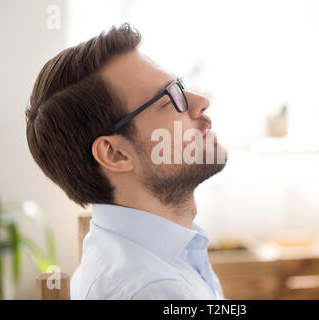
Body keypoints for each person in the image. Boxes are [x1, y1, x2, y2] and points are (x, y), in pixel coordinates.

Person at [25, 23, 228, 299]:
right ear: (115, 154)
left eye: (179, 87)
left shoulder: (167, 252)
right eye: (169, 100)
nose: (201, 101)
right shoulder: (153, 290)